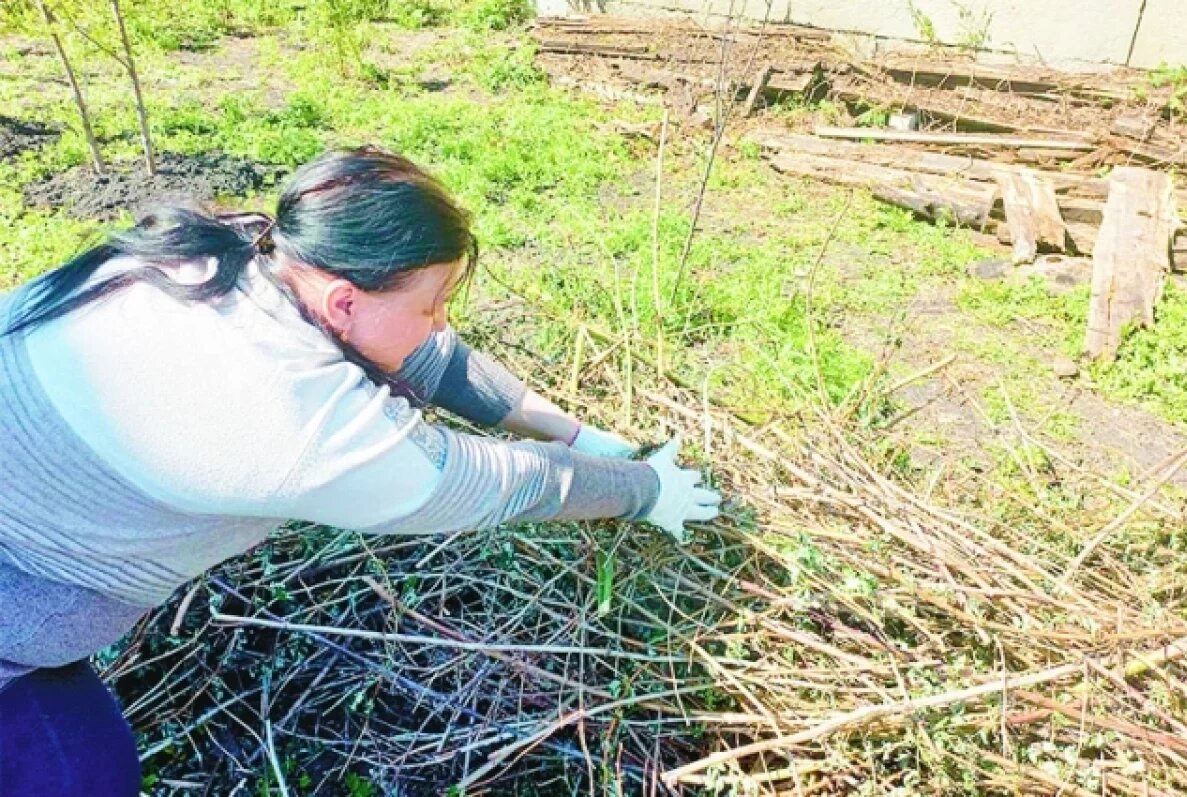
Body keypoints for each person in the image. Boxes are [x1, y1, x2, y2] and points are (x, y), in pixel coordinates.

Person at [0, 146, 721, 795]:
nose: (442, 322)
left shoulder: (228, 257)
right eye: (434, 304)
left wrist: (580, 433)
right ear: (344, 299)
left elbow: (426, 356)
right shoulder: (297, 418)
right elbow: (508, 483)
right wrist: (645, 489)